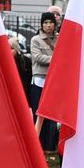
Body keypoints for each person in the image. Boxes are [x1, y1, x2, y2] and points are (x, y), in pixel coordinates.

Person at [28, 12, 60, 150]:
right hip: (39, 80)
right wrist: (56, 59)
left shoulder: (60, 38)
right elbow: (37, 57)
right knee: (39, 113)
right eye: (45, 22)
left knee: (53, 115)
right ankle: (38, 145)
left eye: (51, 22)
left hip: (55, 80)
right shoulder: (35, 40)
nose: (48, 25)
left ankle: (50, 145)